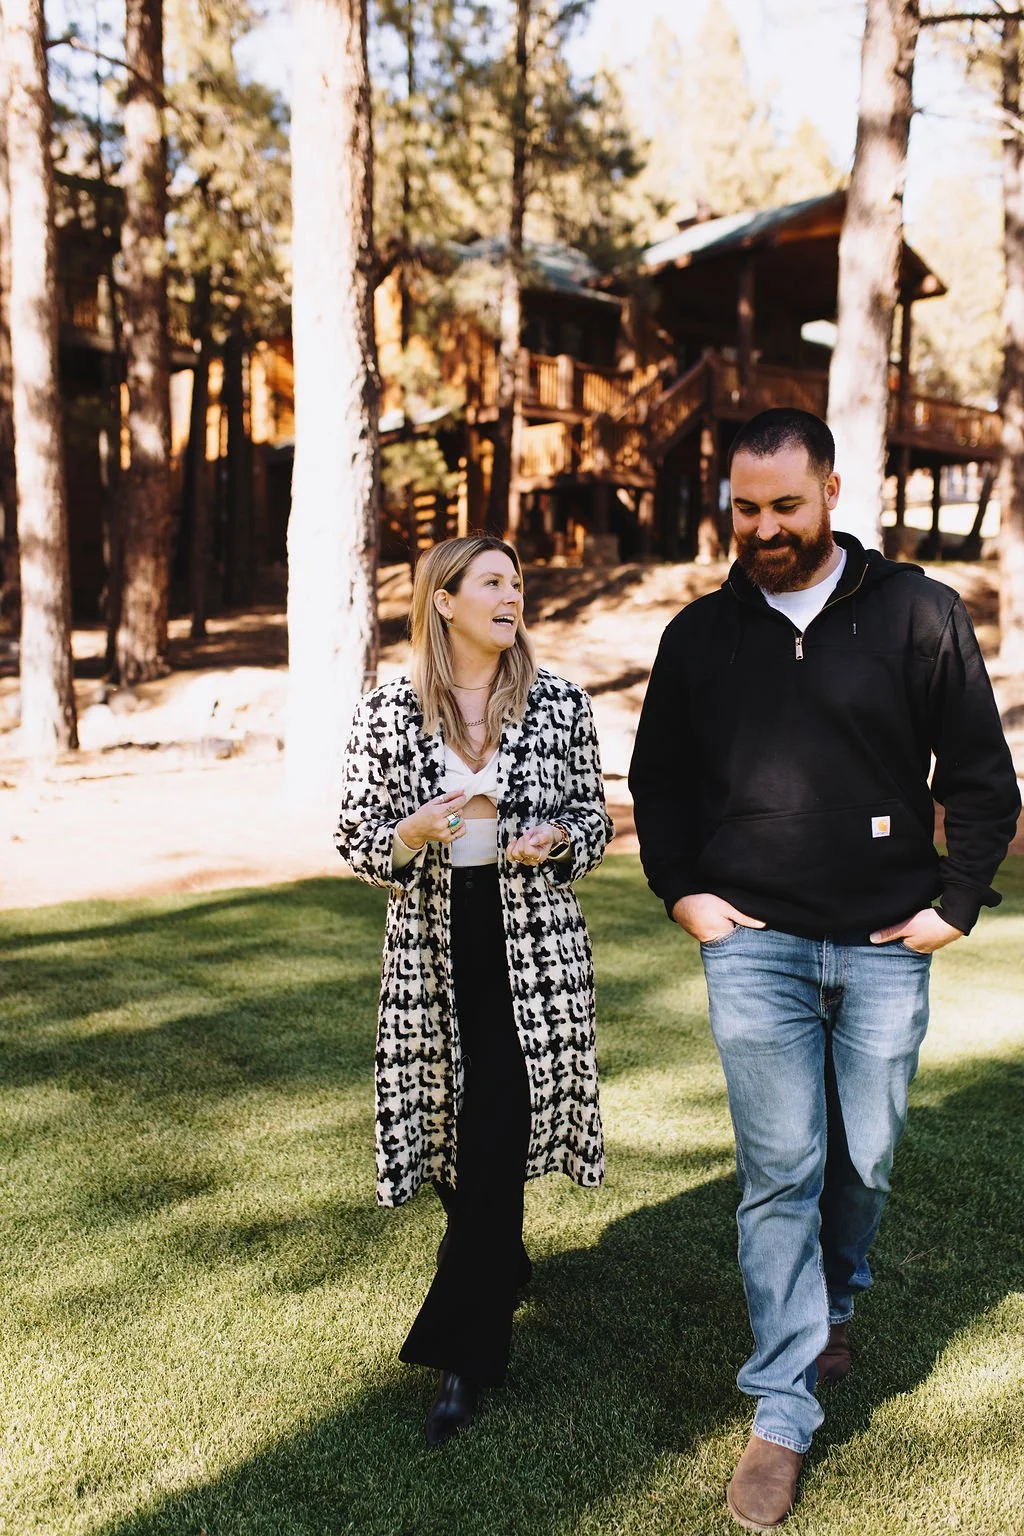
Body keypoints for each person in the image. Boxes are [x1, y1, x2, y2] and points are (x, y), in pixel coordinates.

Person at [628, 408, 1020, 1532]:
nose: (763, 529)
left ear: (833, 494)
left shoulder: (918, 614)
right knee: (781, 1169)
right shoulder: (699, 636)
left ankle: (835, 1299)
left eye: (785, 507)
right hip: (753, 946)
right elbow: (659, 783)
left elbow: (982, 776)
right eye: (745, 509)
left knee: (868, 1158)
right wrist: (683, 892)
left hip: (887, 943)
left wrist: (955, 902)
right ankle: (782, 1408)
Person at [335, 533, 612, 1447]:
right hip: (432, 944)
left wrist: (557, 840)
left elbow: (593, 819)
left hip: (532, 944)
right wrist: (411, 833)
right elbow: (356, 836)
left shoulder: (560, 701)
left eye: (517, 582)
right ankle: (499, 1253)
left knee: (498, 1122)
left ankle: (463, 1354)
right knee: (457, 1131)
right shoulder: (386, 712)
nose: (512, 595)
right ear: (444, 600)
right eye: (492, 581)